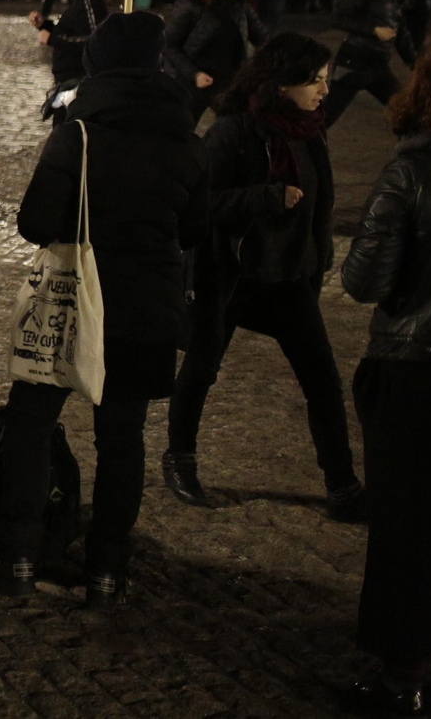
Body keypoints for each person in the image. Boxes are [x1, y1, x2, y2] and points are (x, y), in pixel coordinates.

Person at [0, 12, 208, 606]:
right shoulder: (185, 137)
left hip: (73, 301)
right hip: (144, 307)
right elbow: (197, 228)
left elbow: (33, 223)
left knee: (31, 421)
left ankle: (19, 553)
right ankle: (108, 566)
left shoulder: (76, 133)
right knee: (122, 438)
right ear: (156, 65)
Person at [161, 32, 363, 521]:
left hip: (288, 279)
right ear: (279, 83)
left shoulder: (309, 131)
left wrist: (318, 259)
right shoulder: (232, 133)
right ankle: (180, 459)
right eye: (314, 80)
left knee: (322, 381)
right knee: (202, 368)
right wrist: (263, 197)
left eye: (325, 79)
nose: (324, 90)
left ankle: (343, 486)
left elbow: (322, 205)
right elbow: (197, 206)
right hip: (229, 277)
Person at [341, 38, 431, 713]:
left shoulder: (412, 175)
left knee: (407, 525)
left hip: (417, 368)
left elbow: (363, 279)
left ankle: (402, 673)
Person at [161, 0, 267, 123]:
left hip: (231, 84)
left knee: (236, 129)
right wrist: (194, 74)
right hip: (194, 84)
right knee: (183, 126)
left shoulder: (241, 7)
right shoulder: (190, 7)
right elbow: (169, 46)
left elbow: (263, 40)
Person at [325, 0, 419, 129]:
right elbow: (338, 17)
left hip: (378, 63)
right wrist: (373, 30)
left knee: (406, 113)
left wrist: (414, 62)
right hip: (354, 61)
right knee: (326, 117)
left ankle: (415, 150)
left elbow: (400, 28)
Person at [29, 0, 116, 87]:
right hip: (69, 83)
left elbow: (94, 42)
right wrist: (44, 25)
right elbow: (72, 32)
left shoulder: (91, 2)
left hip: (78, 84)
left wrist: (52, 39)